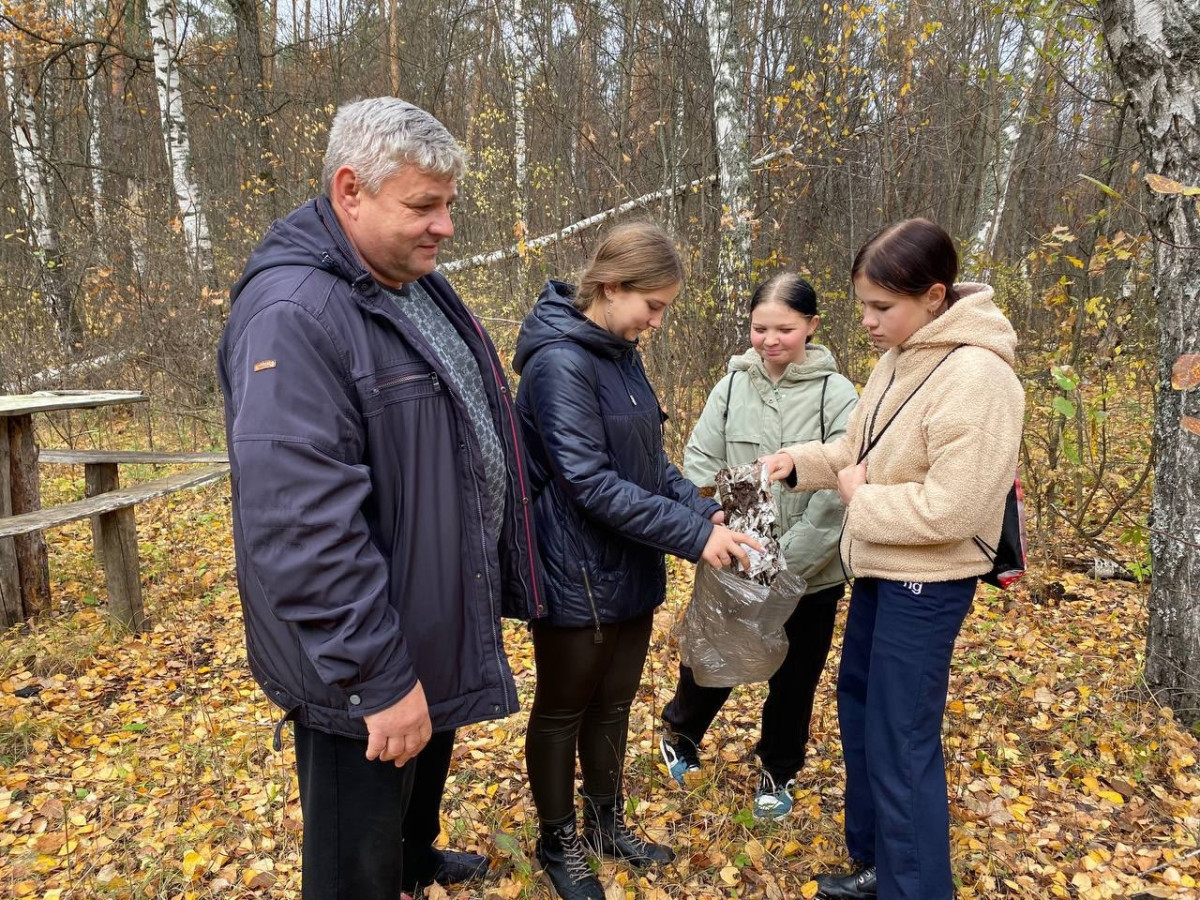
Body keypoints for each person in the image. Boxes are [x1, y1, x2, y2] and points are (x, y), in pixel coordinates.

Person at [218, 97, 544, 900]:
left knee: (409, 800)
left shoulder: (401, 280)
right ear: (349, 190)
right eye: (423, 206)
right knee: (351, 859)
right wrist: (377, 677)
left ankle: (411, 861)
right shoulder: (294, 314)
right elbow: (301, 522)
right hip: (359, 661)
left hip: (419, 616)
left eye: (449, 206)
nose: (444, 226)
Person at [761, 219, 1024, 900]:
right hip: (880, 570)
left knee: (903, 739)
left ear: (934, 296)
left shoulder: (979, 376)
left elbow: (956, 510)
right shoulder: (902, 356)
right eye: (864, 307)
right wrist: (799, 465)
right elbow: (855, 455)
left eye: (884, 308)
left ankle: (915, 888)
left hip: (927, 582)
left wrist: (861, 500)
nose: (870, 323)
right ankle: (878, 867)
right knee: (862, 714)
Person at [512, 223, 761, 900]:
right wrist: (692, 536)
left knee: (614, 705)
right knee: (565, 709)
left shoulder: (621, 356)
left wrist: (702, 510)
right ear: (611, 286)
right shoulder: (558, 363)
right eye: (651, 306)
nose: (655, 322)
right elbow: (589, 482)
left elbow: (649, 464)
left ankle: (604, 824)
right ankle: (558, 841)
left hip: (628, 563)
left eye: (663, 310)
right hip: (572, 570)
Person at [658, 273, 858, 819]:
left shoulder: (836, 395)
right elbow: (700, 461)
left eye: (785, 329)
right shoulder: (732, 385)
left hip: (810, 573)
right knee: (713, 653)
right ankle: (680, 733)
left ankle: (778, 770)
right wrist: (730, 532)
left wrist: (788, 561)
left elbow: (839, 484)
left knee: (795, 676)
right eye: (759, 328)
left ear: (812, 327)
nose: (770, 340)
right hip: (735, 558)